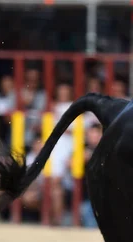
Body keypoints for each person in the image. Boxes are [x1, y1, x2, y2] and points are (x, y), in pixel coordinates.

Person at [50, 82, 74, 225]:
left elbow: (78, 130)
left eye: (66, 90)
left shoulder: (74, 106)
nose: (63, 93)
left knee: (62, 185)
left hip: (69, 149)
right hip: (56, 149)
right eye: (61, 90)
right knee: (54, 184)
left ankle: (61, 218)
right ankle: (56, 218)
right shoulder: (51, 107)